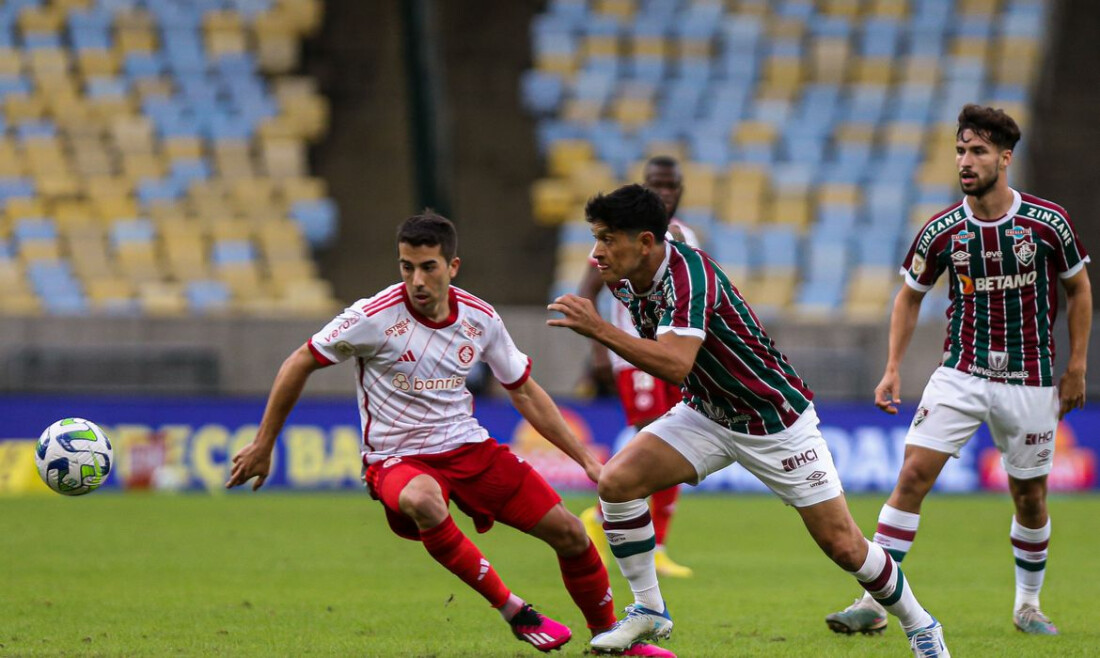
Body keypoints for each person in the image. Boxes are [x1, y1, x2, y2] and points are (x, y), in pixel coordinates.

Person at [226, 212, 674, 657]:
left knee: (571, 534)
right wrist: (264, 443)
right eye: (407, 267)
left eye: (428, 267)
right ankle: (516, 610)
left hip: (468, 448)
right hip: (396, 458)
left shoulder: (479, 318)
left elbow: (524, 392)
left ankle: (610, 645)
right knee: (423, 500)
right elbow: (299, 361)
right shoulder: (373, 317)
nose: (416, 280)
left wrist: (587, 461)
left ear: (452, 266)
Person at [548, 184, 950, 657]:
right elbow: (681, 370)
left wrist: (599, 329)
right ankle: (649, 609)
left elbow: (675, 364)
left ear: (644, 242)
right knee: (617, 482)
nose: (597, 252)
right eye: (595, 237)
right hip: (707, 413)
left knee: (844, 546)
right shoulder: (623, 277)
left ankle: (922, 626)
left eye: (608, 239)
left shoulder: (689, 277)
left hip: (775, 422)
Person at [824, 105, 1091, 638]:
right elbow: (908, 298)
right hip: (960, 374)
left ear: (1005, 158)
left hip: (1031, 378)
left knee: (1030, 497)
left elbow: (1078, 288)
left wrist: (1077, 365)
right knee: (912, 477)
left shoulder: (1046, 222)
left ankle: (1028, 607)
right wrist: (893, 368)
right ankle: (875, 603)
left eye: (978, 151)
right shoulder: (942, 231)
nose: (965, 161)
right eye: (961, 151)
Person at [577, 156, 697, 579]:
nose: (665, 192)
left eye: (671, 185)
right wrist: (597, 354)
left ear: (681, 189)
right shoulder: (620, 240)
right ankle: (602, 514)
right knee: (653, 433)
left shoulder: (688, 237)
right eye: (656, 185)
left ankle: (656, 542)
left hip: (674, 354)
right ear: (645, 187)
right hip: (635, 357)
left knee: (675, 442)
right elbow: (588, 290)